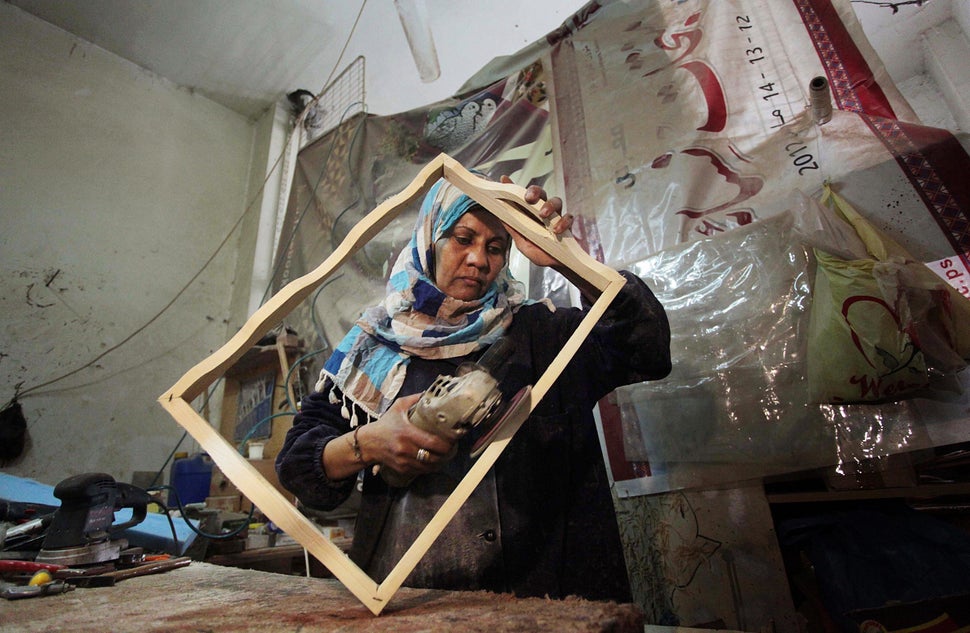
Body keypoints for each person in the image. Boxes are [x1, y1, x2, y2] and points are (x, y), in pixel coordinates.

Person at [276, 175, 671, 603]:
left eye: (495, 247)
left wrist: (565, 259)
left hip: (550, 603)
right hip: (412, 602)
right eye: (462, 238)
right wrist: (368, 443)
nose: (479, 259)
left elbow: (645, 349)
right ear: (430, 238)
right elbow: (297, 466)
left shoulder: (543, 336)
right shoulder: (373, 349)